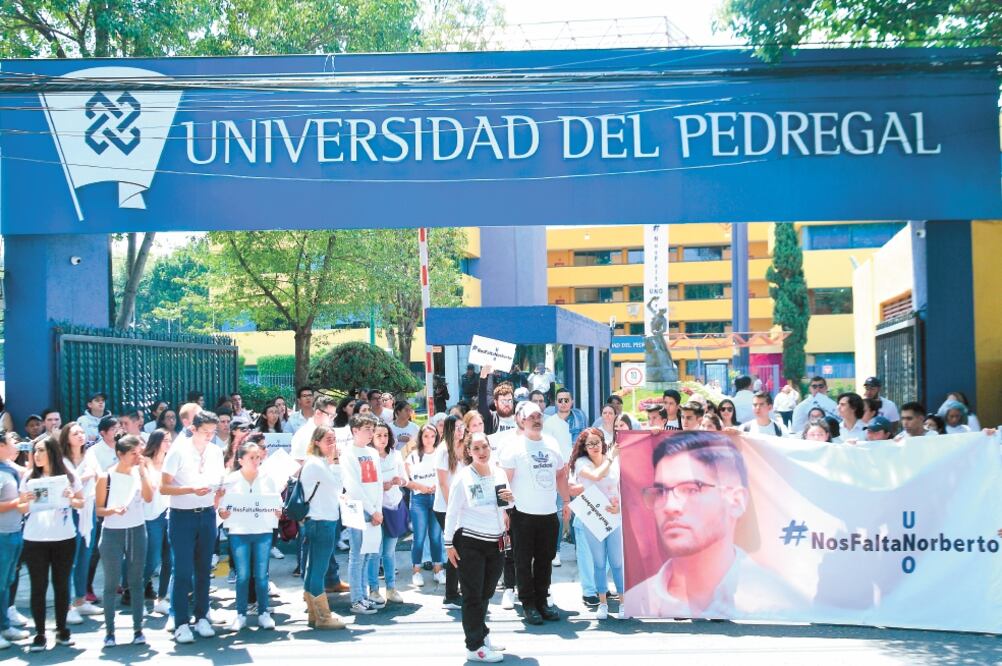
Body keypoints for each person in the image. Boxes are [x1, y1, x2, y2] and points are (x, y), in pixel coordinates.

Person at [627, 431, 803, 618]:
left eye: (691, 489)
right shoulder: (637, 601)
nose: (670, 507)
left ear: (736, 501)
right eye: (661, 491)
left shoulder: (778, 603)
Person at [499, 401, 571, 626]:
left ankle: (542, 600)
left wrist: (566, 500)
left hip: (549, 513)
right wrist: (503, 510)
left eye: (539, 416)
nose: (536, 420)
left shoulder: (551, 443)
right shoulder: (513, 447)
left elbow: (560, 474)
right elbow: (503, 481)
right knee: (522, 560)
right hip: (523, 514)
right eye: (531, 417)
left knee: (545, 560)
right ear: (521, 420)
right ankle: (528, 604)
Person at [444, 432, 511, 663]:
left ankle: (481, 635)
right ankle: (474, 647)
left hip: (496, 541)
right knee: (473, 595)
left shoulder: (499, 471)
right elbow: (451, 512)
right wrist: (448, 543)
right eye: (477, 448)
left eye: (485, 447)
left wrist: (511, 499)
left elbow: (505, 504)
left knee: (486, 593)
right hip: (470, 541)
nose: (482, 452)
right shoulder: (463, 477)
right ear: (469, 451)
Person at [161, 411, 226, 644]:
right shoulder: (178, 450)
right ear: (193, 429)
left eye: (213, 432)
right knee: (182, 571)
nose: (210, 436)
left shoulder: (216, 452)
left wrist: (220, 491)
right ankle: (180, 622)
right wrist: (189, 489)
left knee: (203, 569)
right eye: (205, 432)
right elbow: (163, 487)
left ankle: (202, 617)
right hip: (181, 516)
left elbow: (219, 482)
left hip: (207, 514)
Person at [21, 435, 85, 652]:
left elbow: (80, 502)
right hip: (35, 539)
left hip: (64, 538)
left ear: (52, 452)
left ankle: (61, 628)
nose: (37, 455)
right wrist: (27, 500)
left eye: (41, 450)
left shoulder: (67, 475)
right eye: (34, 451)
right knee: (38, 587)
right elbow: (22, 508)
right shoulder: (29, 476)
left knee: (61, 584)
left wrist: (70, 497)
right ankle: (39, 632)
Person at [94, 435, 153, 647]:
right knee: (111, 583)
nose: (137, 457)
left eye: (139, 453)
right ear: (120, 454)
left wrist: (144, 473)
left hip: (137, 530)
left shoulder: (139, 473)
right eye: (133, 454)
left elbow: (148, 497)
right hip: (112, 532)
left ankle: (138, 630)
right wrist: (112, 510)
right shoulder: (106, 477)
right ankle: (110, 632)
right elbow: (99, 509)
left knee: (136, 582)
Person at [219, 440, 281, 632]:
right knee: (243, 575)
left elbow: (277, 502)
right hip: (239, 532)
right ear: (241, 460)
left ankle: (263, 612)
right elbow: (222, 506)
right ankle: (241, 614)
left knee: (262, 575)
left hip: (262, 530)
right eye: (251, 457)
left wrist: (278, 511)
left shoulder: (268, 477)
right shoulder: (231, 480)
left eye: (258, 457)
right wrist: (223, 513)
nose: (256, 461)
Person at [569, 428, 624, 621]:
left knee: (617, 562)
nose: (594, 447)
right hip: (593, 517)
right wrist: (610, 457)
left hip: (614, 517)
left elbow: (623, 486)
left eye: (597, 442)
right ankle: (602, 603)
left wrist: (620, 507)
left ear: (603, 442)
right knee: (599, 563)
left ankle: (623, 603)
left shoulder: (615, 462)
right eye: (589, 444)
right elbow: (596, 476)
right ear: (584, 447)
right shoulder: (581, 463)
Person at [299, 426, 347, 630]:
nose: (333, 444)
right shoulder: (317, 464)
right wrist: (336, 462)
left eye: (334, 439)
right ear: (316, 441)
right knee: (318, 569)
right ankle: (323, 616)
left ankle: (313, 613)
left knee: (313, 569)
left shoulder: (315, 463)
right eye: (328, 439)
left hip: (317, 519)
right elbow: (338, 485)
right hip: (322, 521)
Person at [341, 413, 385, 615]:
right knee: (357, 555)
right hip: (358, 510)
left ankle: (365, 595)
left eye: (372, 429)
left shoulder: (373, 453)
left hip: (374, 510)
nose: (371, 433)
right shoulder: (348, 453)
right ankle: (356, 598)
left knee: (369, 554)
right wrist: (372, 509)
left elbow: (377, 483)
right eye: (367, 429)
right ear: (354, 431)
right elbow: (353, 486)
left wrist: (379, 510)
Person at [59, 423, 101, 625]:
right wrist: (83, 476)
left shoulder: (90, 455)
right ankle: (66, 606)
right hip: (69, 512)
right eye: (76, 433)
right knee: (69, 559)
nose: (81, 436)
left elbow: (98, 475)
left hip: (89, 509)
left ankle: (80, 599)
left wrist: (81, 478)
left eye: (82, 432)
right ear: (67, 437)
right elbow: (65, 484)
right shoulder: (61, 460)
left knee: (85, 554)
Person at [366, 423, 407, 606]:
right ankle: (373, 589)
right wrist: (380, 487)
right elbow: (364, 485)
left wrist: (400, 480)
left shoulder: (396, 455)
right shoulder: (367, 457)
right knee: (375, 551)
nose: (383, 439)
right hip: (375, 509)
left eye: (385, 435)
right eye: (379, 435)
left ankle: (391, 588)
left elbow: (405, 479)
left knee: (389, 552)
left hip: (394, 506)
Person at [405, 424, 446, 588]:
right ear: (420, 438)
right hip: (419, 500)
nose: (429, 440)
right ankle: (416, 571)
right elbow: (406, 480)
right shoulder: (413, 456)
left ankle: (438, 569)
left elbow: (445, 476)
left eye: (432, 436)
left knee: (436, 537)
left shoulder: (440, 454)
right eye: (426, 436)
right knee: (419, 537)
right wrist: (420, 487)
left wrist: (438, 486)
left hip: (436, 498)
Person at [435, 416, 467, 610]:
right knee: (454, 549)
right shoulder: (443, 451)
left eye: (462, 427)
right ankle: (451, 595)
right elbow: (442, 483)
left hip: (460, 506)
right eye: (456, 428)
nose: (460, 430)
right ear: (448, 429)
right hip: (445, 507)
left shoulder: (462, 447)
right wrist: (452, 509)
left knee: (459, 549)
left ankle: (455, 592)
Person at [0, 432, 28, 649]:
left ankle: (5, 625)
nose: (16, 445)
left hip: (14, 532)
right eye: (12, 442)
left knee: (7, 582)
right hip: (2, 535)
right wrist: (18, 502)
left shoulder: (9, 467)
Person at [142, 429, 173, 616]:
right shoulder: (145, 462)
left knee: (169, 558)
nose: (168, 443)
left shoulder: (171, 461)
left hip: (170, 512)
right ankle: (136, 591)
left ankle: (162, 598)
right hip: (151, 514)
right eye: (165, 440)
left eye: (170, 440)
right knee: (152, 559)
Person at [477, 366, 517, 435]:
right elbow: (482, 401)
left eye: (509, 400)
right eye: (503, 401)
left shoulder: (518, 420)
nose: (507, 404)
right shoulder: (491, 419)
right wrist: (483, 377)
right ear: (496, 402)